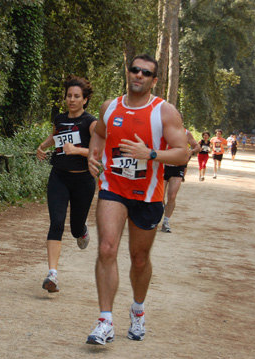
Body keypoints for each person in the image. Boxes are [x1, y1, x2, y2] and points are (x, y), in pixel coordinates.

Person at [85, 54, 189, 345]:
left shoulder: (165, 112)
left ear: (154, 81)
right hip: (113, 188)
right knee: (107, 248)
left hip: (148, 195)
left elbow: (183, 152)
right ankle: (105, 321)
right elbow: (99, 133)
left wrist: (151, 154)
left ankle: (138, 310)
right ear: (128, 73)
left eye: (146, 73)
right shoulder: (110, 107)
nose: (139, 75)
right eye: (135, 70)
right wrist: (94, 158)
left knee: (139, 259)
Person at [36, 75, 97, 293]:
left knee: (74, 228)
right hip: (59, 177)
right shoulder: (60, 118)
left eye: (77, 96)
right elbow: (55, 135)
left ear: (85, 100)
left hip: (83, 180)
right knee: (57, 222)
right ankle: (52, 274)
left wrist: (79, 150)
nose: (71, 100)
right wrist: (42, 146)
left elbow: (101, 151)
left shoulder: (91, 123)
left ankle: (82, 230)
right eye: (69, 96)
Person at [161, 129, 200, 233]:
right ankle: (159, 213)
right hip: (163, 166)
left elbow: (197, 146)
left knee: (172, 195)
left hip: (178, 167)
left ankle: (166, 222)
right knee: (160, 196)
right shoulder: (163, 130)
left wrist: (192, 151)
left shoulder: (186, 133)